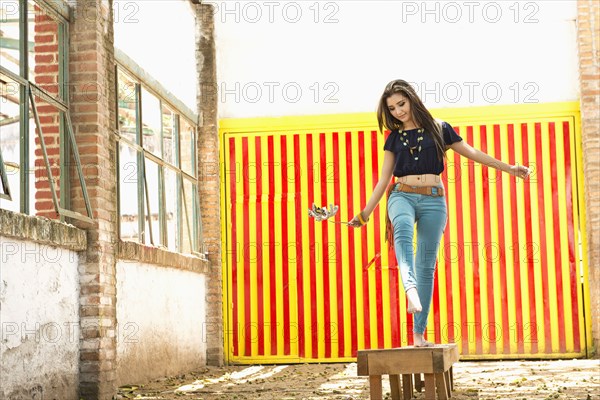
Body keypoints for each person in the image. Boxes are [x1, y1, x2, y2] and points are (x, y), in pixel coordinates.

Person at [348, 79, 530, 347]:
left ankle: (418, 334)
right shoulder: (393, 138)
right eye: (392, 108)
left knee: (426, 265)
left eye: (401, 104)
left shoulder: (440, 129)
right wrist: (365, 214)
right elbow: (384, 179)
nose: (398, 111)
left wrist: (509, 168)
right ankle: (409, 287)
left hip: (434, 200)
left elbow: (474, 153)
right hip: (401, 194)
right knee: (402, 231)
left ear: (411, 99)